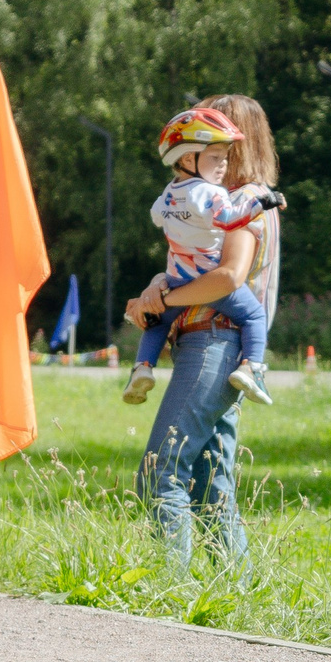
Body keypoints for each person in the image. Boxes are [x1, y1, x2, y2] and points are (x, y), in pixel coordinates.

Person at [126, 92, 283, 571]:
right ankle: (237, 590)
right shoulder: (207, 207)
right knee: (211, 482)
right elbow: (191, 267)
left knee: (161, 470)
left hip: (214, 340)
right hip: (219, 346)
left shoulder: (240, 205)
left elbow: (226, 279)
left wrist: (164, 302)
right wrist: (158, 285)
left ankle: (169, 587)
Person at [123, 108, 279, 408]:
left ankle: (143, 367)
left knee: (156, 321)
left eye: (224, 158)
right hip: (207, 278)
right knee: (253, 315)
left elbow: (158, 218)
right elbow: (230, 223)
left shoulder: (167, 195)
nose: (222, 166)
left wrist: (163, 293)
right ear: (186, 158)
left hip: (177, 276)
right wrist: (262, 204)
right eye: (215, 157)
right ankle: (252, 368)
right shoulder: (213, 193)